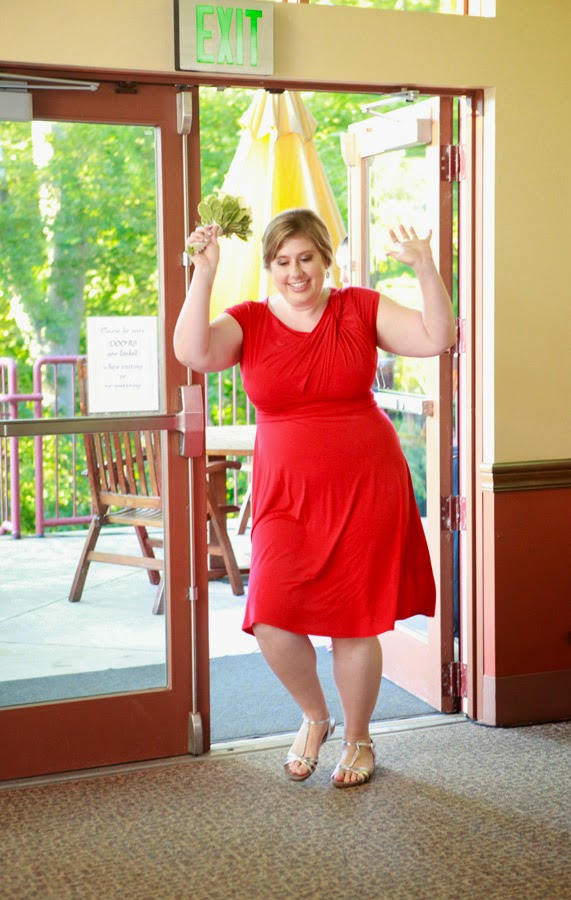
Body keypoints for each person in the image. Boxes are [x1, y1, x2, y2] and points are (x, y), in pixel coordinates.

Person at [174, 208, 456, 788]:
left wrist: (426, 267)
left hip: (365, 484)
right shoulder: (248, 320)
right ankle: (315, 716)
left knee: (354, 621)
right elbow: (193, 353)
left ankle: (359, 739)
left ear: (326, 258)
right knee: (270, 614)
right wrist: (203, 272)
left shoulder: (360, 307)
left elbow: (437, 337)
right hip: (285, 492)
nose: (295, 271)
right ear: (269, 266)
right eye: (282, 261)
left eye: (306, 258)